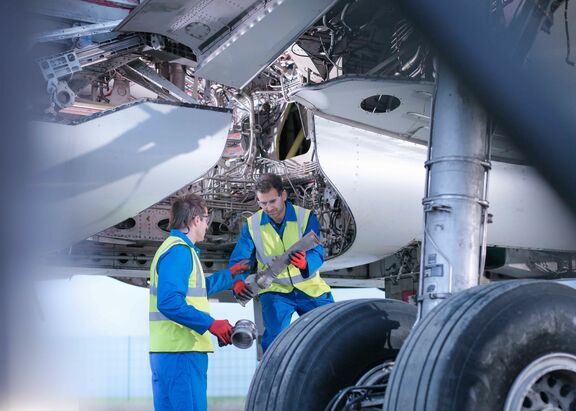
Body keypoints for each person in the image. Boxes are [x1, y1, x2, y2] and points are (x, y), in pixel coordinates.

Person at [149, 193, 250, 411]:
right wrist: (211, 324)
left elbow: (196, 289)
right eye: (206, 219)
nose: (206, 225)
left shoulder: (173, 248)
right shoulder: (179, 251)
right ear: (195, 220)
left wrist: (230, 275)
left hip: (168, 353)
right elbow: (168, 302)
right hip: (182, 353)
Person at [229, 173, 334, 352]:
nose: (268, 208)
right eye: (263, 203)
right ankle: (272, 375)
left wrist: (305, 263)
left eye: (272, 201)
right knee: (275, 342)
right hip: (275, 292)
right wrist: (237, 281)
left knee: (331, 331)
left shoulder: (306, 217)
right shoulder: (252, 225)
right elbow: (240, 259)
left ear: (283, 196)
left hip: (310, 288)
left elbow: (317, 252)